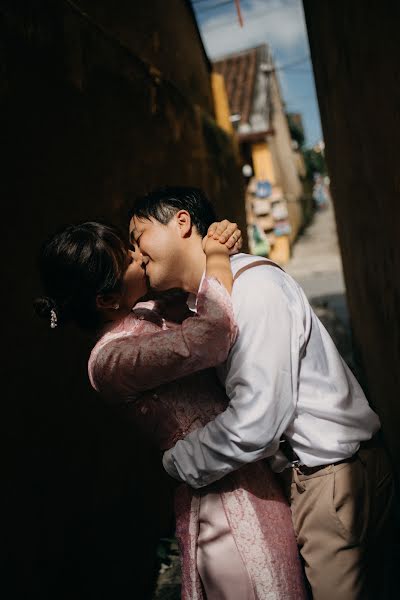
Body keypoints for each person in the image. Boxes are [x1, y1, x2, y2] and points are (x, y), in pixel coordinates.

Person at [130, 186, 395, 600]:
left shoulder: (253, 290)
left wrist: (179, 462)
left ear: (181, 222)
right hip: (330, 476)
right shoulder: (210, 302)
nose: (137, 254)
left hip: (331, 481)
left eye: (138, 236)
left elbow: (258, 420)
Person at [34, 220, 307, 600]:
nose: (138, 255)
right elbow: (211, 336)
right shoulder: (112, 360)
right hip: (221, 498)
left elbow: (191, 289)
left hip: (247, 471)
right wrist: (215, 257)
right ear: (107, 301)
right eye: (127, 257)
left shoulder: (145, 312)